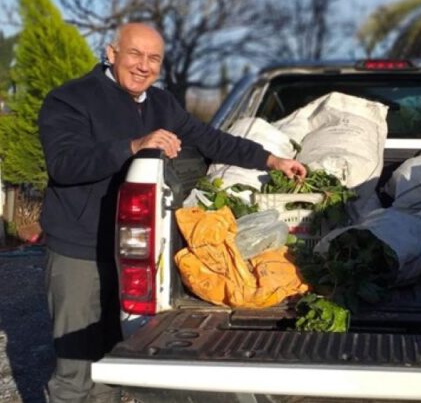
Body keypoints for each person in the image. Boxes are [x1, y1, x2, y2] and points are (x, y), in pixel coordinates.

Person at [37, 22, 306, 402]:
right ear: (111, 53)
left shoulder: (161, 104)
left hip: (134, 254)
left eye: (153, 59)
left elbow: (211, 140)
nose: (143, 66)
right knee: (76, 365)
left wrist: (271, 159)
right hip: (82, 249)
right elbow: (65, 164)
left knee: (114, 362)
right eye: (134, 54)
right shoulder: (71, 99)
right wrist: (134, 145)